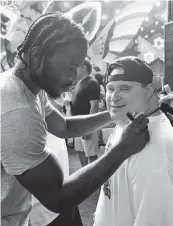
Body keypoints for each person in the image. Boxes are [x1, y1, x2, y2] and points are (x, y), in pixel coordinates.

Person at [1, 13, 150, 226]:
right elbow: (58, 197)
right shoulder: (16, 108)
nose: (73, 78)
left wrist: (113, 112)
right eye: (70, 67)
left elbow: (65, 126)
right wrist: (123, 148)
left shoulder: (31, 87)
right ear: (36, 56)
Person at [94, 56, 173, 226]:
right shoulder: (129, 123)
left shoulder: (153, 148)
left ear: (149, 90)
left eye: (125, 88)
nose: (114, 97)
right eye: (110, 88)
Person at [71, 59, 100, 167]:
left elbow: (94, 106)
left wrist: (89, 128)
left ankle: (97, 180)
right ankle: (86, 177)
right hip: (78, 126)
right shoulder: (80, 83)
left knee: (91, 155)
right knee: (81, 151)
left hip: (87, 126)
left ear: (84, 67)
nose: (74, 70)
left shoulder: (92, 83)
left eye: (76, 67)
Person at [94, 72, 107, 148]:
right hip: (96, 106)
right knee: (97, 124)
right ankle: (99, 141)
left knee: (98, 124)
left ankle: (100, 141)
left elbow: (103, 95)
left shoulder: (100, 86)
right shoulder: (94, 86)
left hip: (100, 106)